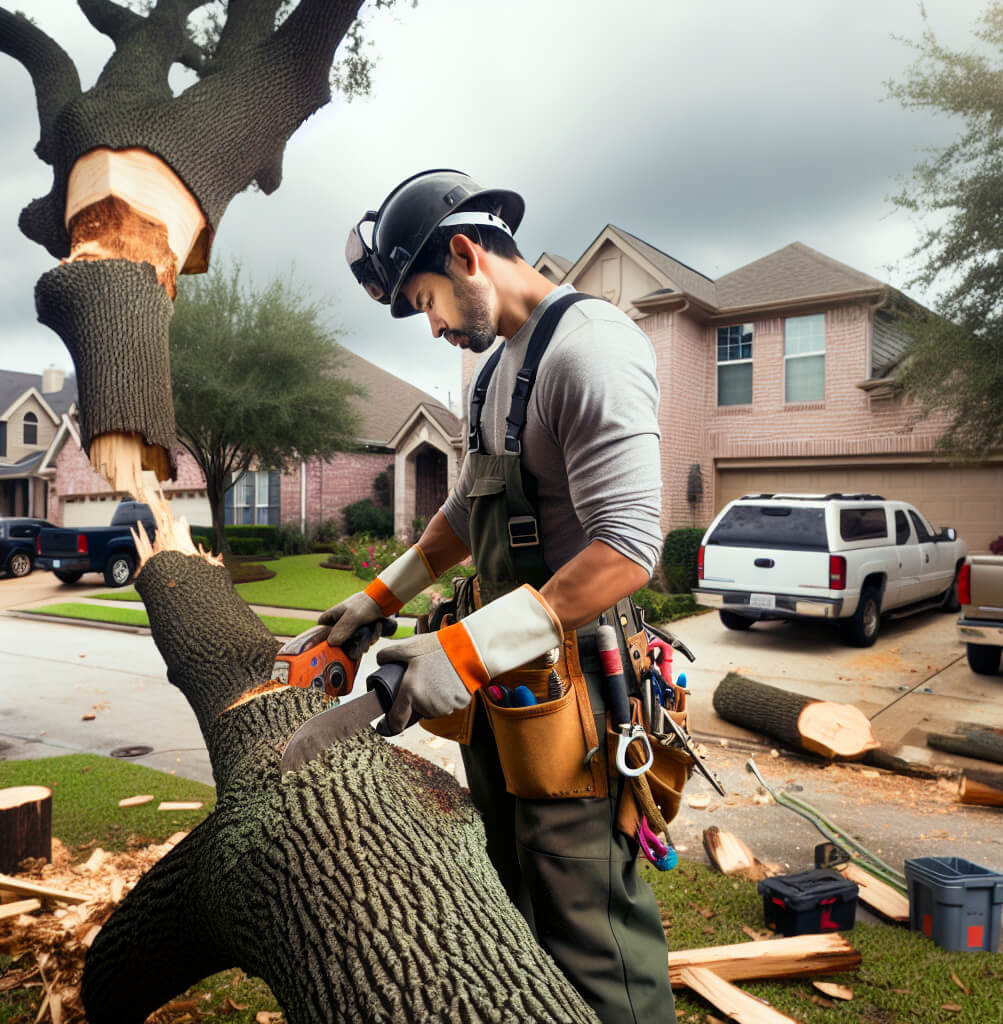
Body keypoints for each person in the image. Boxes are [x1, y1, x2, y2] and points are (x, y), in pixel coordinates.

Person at [327, 169, 674, 1023]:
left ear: (466, 253)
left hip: (577, 695)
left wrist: (469, 648)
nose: (436, 325)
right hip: (502, 692)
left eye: (429, 301)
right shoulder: (490, 376)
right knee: (515, 901)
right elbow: (462, 509)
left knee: (589, 931)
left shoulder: (592, 347)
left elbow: (630, 546)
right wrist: (378, 597)